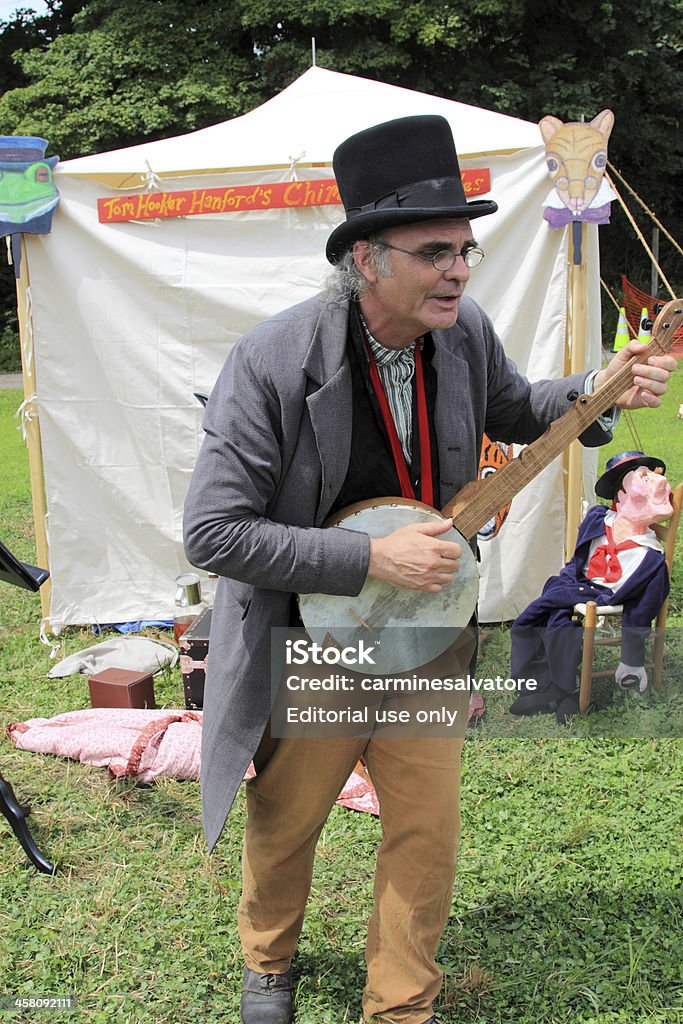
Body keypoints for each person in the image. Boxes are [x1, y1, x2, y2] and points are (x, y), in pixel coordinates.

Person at [182, 115, 676, 1024]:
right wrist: (369, 554)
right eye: (434, 252)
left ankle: (400, 1003)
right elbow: (213, 533)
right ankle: (268, 960)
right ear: (366, 259)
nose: (458, 269)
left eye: (466, 249)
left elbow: (518, 406)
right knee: (288, 823)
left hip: (425, 634)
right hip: (309, 640)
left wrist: (595, 389)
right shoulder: (272, 360)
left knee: (424, 830)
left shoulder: (462, 329)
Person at [509, 451, 672, 723]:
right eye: (644, 477)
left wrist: (632, 659)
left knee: (563, 625)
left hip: (607, 596)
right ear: (619, 497)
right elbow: (579, 558)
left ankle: (567, 693)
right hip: (580, 585)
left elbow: (644, 609)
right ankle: (546, 684)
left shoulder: (650, 558)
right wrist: (569, 577)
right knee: (540, 619)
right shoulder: (599, 520)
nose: (656, 480)